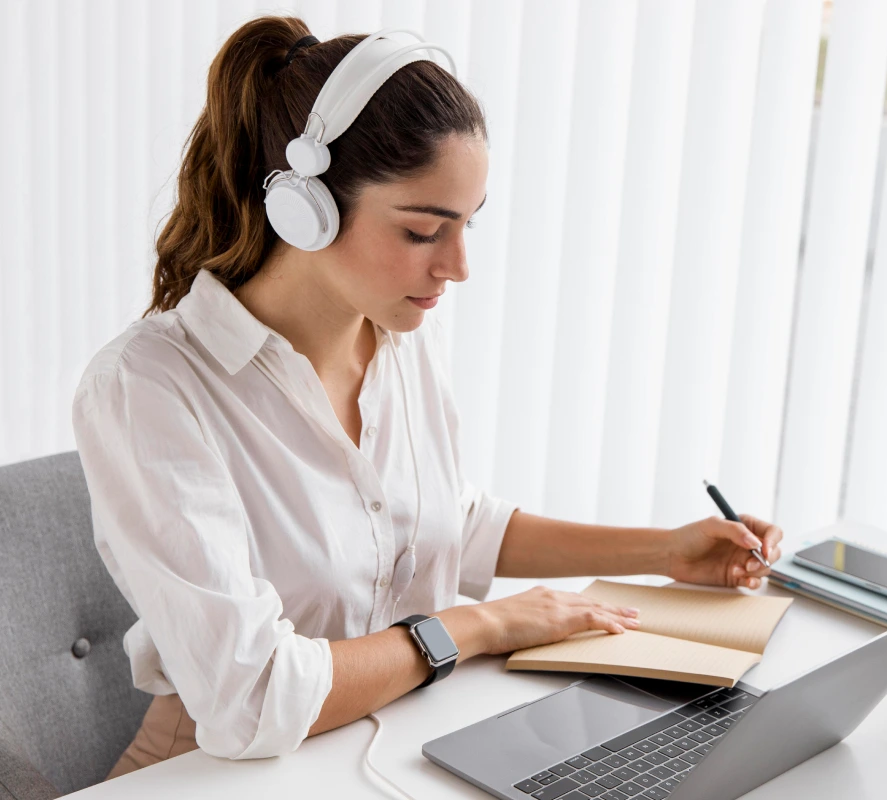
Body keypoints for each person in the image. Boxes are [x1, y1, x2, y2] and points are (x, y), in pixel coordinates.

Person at [72, 15, 784, 780]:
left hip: (400, 747)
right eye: (422, 231)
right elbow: (253, 700)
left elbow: (449, 523)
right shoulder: (148, 387)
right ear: (303, 210)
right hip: (215, 774)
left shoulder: (399, 335)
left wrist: (663, 551)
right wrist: (479, 627)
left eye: (468, 224)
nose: (458, 266)